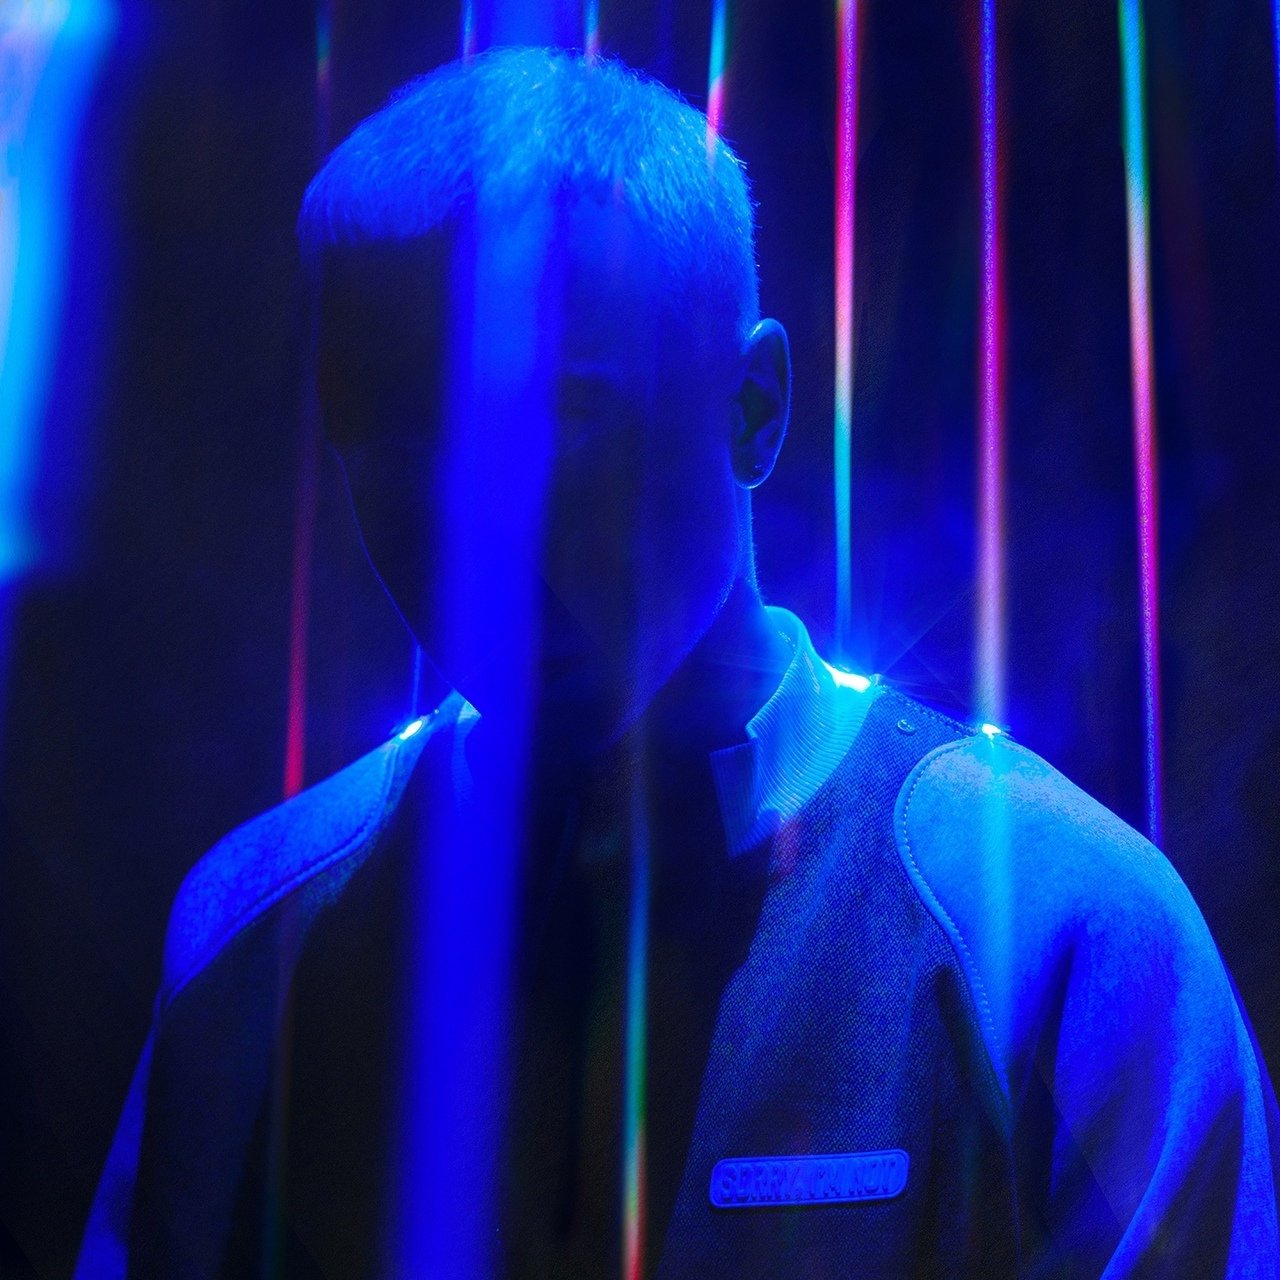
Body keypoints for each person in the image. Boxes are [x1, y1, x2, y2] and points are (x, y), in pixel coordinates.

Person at [77, 47, 1279, 1279]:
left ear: (752, 406)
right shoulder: (248, 940)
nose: (465, 529)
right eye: (384, 441)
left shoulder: (1054, 921)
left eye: (548, 421)